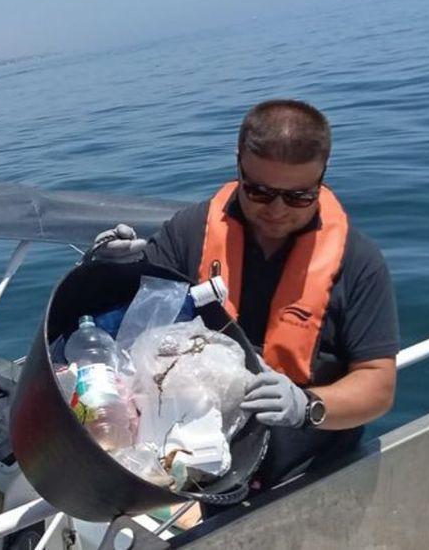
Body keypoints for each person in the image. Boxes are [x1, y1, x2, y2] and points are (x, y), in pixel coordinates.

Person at [95, 98, 398, 491]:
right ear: (237, 164)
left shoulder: (358, 263)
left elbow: (378, 385)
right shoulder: (190, 233)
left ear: (322, 177)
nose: (276, 209)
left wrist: (307, 407)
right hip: (192, 461)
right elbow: (129, 326)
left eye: (298, 196)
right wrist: (112, 273)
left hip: (305, 472)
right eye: (259, 191)